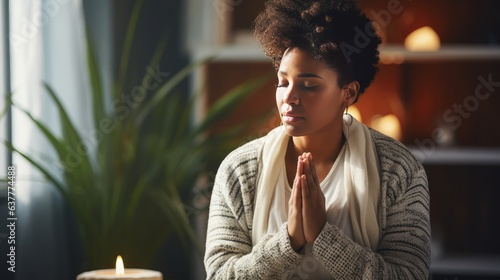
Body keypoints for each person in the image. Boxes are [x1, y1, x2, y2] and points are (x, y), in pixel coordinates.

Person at [204, 0, 431, 279]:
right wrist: (289, 241)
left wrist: (323, 237)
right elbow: (219, 275)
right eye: (283, 82)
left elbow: (411, 275)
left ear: (347, 93)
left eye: (309, 85)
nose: (288, 97)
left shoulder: (397, 169)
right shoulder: (239, 170)